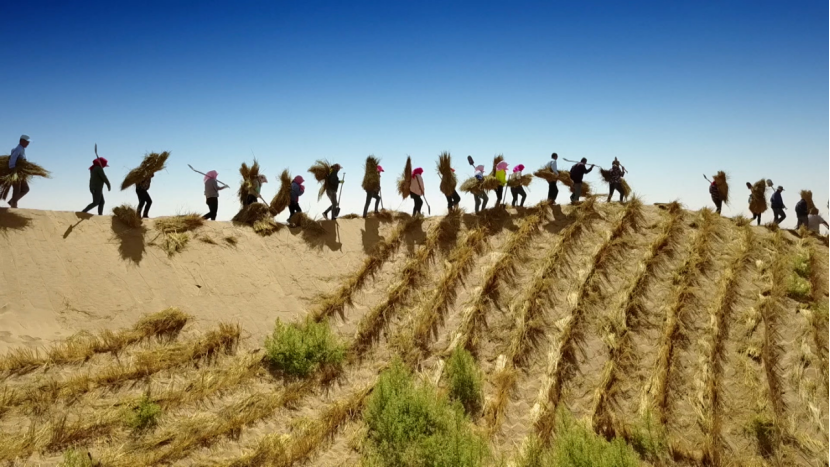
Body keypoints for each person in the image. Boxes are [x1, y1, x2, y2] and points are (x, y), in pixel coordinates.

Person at [8, 134, 31, 208]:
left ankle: (12, 201)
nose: (28, 143)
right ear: (22, 141)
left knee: (25, 189)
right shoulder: (18, 149)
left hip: (20, 172)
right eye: (27, 142)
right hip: (15, 171)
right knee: (17, 189)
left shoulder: (22, 149)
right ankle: (13, 205)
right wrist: (14, 171)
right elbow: (12, 160)